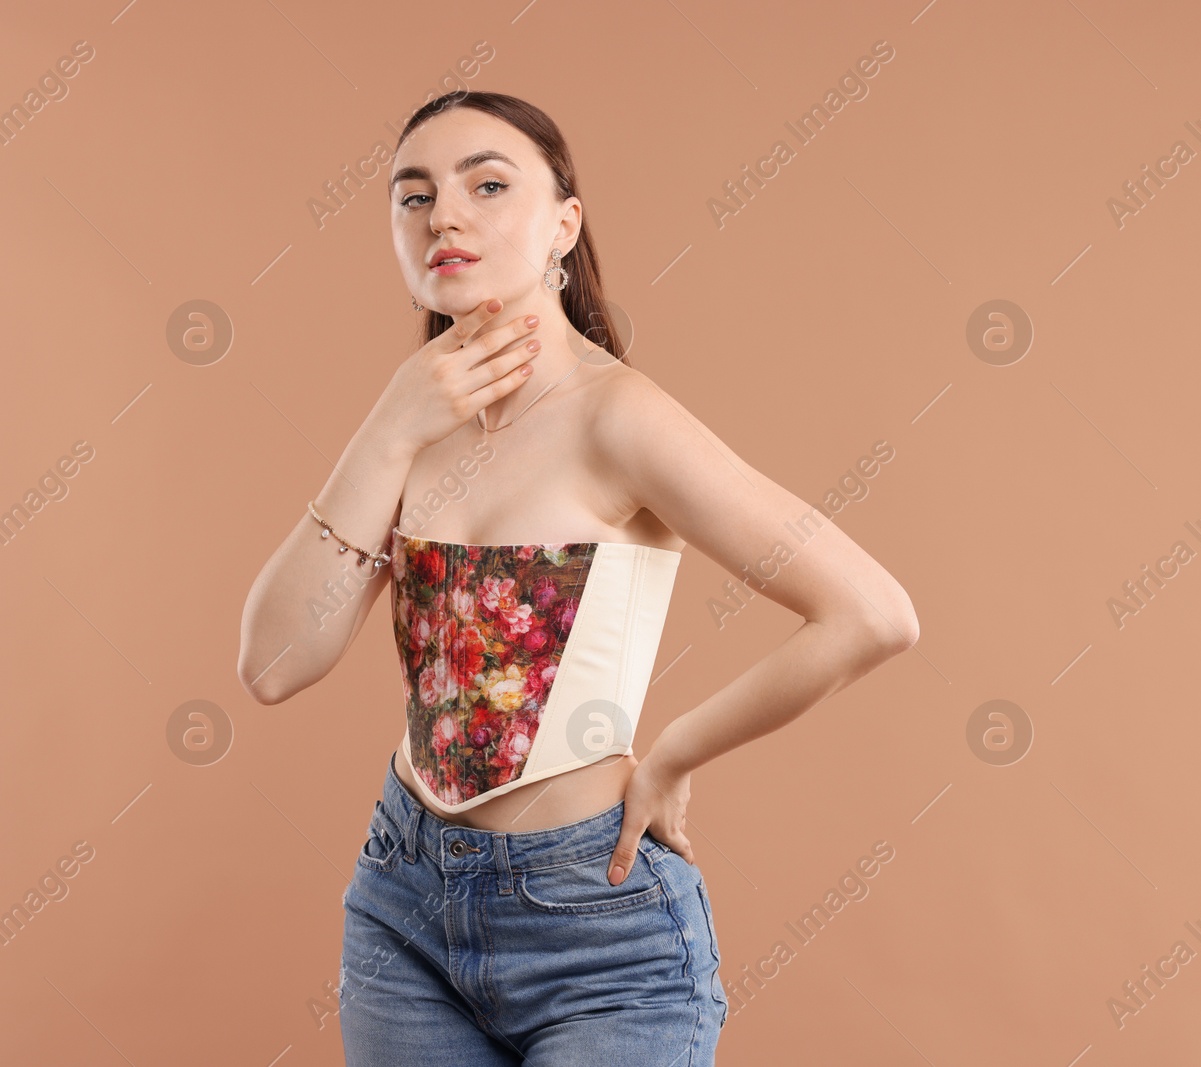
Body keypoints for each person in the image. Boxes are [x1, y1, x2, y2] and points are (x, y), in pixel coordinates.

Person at [236, 90, 919, 1065]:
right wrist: (387, 426)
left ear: (564, 222)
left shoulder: (617, 417)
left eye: (488, 183)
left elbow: (870, 611)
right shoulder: (412, 428)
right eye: (413, 195)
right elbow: (271, 662)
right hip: (400, 905)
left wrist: (674, 751)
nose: (445, 216)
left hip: (594, 924)